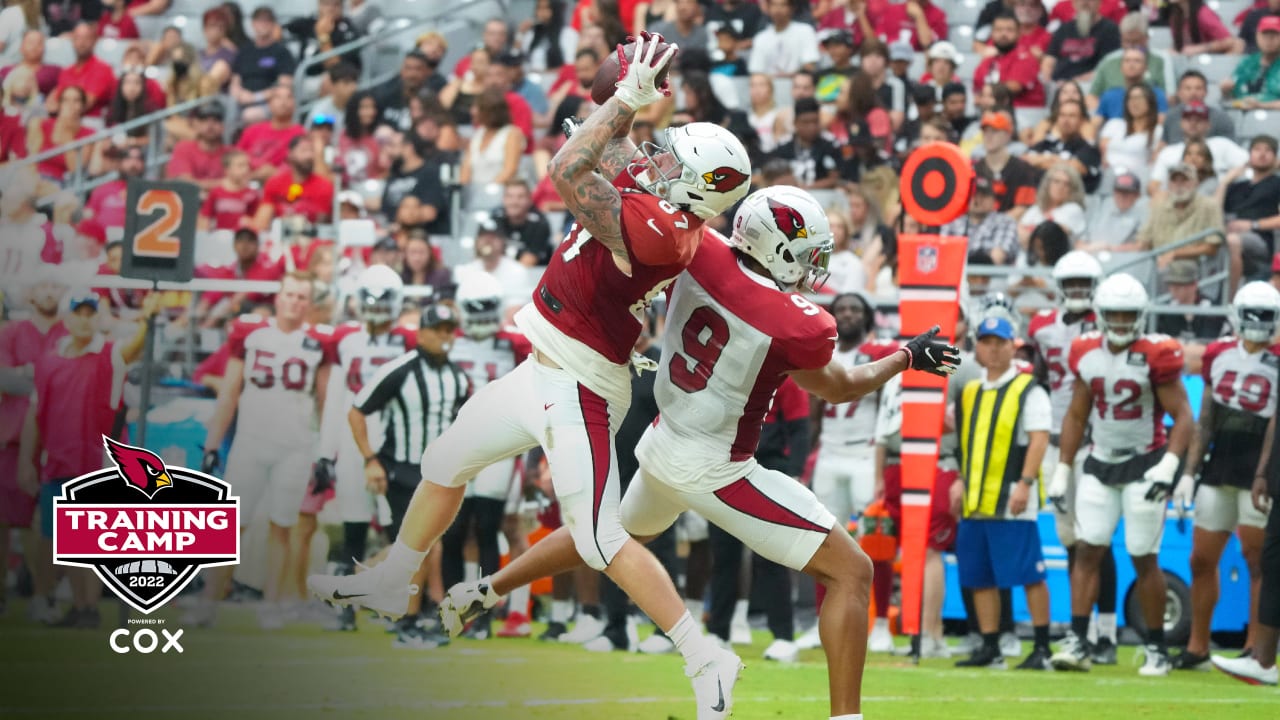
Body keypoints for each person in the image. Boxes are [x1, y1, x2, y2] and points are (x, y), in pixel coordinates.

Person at [309, 35, 754, 717]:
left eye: (674, 156)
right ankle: (395, 578)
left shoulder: (667, 230)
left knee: (602, 537)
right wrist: (625, 92)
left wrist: (623, 103)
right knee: (446, 458)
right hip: (542, 364)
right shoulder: (666, 202)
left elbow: (569, 165)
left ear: (695, 183)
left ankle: (705, 655)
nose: (657, 156)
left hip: (578, 385)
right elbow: (617, 148)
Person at [442, 185, 959, 720]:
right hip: (716, 467)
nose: (813, 267)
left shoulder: (692, 246)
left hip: (664, 443)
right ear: (778, 249)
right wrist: (905, 356)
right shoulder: (798, 323)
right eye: (807, 254)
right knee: (851, 571)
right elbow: (840, 385)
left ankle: (486, 588)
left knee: (603, 533)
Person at [1048, 272, 1194, 676]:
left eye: (1128, 313)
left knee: (1143, 556)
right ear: (1099, 313)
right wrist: (1063, 467)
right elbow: (1077, 414)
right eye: (1114, 313)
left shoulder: (1156, 353)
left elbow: (1184, 416)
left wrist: (1169, 463)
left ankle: (1156, 648)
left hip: (1145, 462)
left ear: (1142, 314)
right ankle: (1079, 639)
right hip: (1100, 459)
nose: (1121, 321)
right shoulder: (1086, 352)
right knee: (1088, 548)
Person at [190, 273, 334, 629]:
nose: (295, 302)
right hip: (251, 441)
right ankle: (208, 603)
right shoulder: (250, 332)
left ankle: (271, 604)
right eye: (290, 295)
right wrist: (212, 444)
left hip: (296, 445)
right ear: (278, 296)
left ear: (309, 303)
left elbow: (326, 401)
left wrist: (326, 452)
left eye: (302, 297)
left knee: (281, 527)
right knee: (230, 528)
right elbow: (230, 391)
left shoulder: (318, 342)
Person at [18, 289, 159, 628]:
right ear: (66, 319)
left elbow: (134, 348)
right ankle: (54, 599)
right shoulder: (50, 361)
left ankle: (87, 607)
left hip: (96, 459)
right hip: (58, 460)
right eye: (77, 313)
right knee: (52, 538)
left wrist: (147, 322)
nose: (83, 319)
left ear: (98, 317)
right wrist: (27, 459)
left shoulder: (109, 354)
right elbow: (36, 414)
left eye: (89, 313)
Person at [349, 302, 472, 648]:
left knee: (421, 545)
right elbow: (357, 411)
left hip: (438, 473)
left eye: (450, 330)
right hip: (401, 469)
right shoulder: (400, 370)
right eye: (438, 330)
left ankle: (355, 585)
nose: (445, 337)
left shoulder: (458, 377)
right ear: (421, 333)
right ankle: (409, 621)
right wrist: (370, 459)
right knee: (423, 545)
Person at [1173, 282, 1280, 670]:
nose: (1258, 323)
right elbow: (1207, 418)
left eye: (1266, 315)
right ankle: (1198, 645)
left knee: (1257, 561)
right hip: (1220, 466)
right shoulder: (1218, 355)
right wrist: (1189, 472)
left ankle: (1256, 646)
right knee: (1201, 559)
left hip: (1259, 468)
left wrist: (1264, 472)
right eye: (1253, 313)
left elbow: (1275, 424)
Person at [1027, 251, 1120, 664]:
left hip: (1094, 440)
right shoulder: (1042, 326)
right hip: (1053, 440)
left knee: (1096, 538)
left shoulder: (1106, 323)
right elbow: (1041, 377)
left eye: (1087, 283)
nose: (1080, 292)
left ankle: (1106, 632)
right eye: (1074, 284)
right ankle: (1082, 629)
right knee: (1070, 539)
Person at [313, 266, 414, 632]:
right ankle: (345, 604)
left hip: (393, 438)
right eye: (368, 297)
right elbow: (335, 398)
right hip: (353, 437)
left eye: (381, 298)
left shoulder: (408, 339)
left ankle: (391, 598)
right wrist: (326, 451)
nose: (374, 306)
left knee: (398, 524)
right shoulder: (345, 339)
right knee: (354, 521)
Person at [951, 314, 1053, 671]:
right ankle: (990, 645)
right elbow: (965, 441)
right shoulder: (970, 391)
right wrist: (960, 478)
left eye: (1000, 343)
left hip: (1011, 496)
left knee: (1028, 572)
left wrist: (1025, 483)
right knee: (978, 573)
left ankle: (1042, 647)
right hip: (976, 495)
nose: (993, 350)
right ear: (977, 347)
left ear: (1014, 346)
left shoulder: (1029, 388)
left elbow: (1039, 439)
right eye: (987, 342)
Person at [802, 292, 899, 652]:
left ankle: (882, 625)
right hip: (829, 453)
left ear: (867, 316)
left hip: (864, 455)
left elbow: (891, 406)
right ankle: (819, 620)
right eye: (841, 308)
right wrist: (805, 460)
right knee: (820, 541)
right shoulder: (822, 352)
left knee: (877, 540)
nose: (847, 314)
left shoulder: (877, 353)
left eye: (855, 309)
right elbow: (813, 413)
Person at [445, 274, 533, 639]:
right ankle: (450, 609)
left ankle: (480, 615)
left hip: (498, 443)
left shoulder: (514, 343)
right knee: (452, 531)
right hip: (457, 442)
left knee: (486, 529)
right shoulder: (448, 341)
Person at [0, 269, 67, 621]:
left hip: (57, 440)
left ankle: (43, 595)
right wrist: (46, 376)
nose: (49, 291)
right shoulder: (11, 332)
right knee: (3, 521)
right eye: (43, 283)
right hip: (10, 437)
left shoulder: (70, 332)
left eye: (55, 285)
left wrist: (31, 373)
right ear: (30, 293)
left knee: (46, 528)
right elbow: (4, 377)